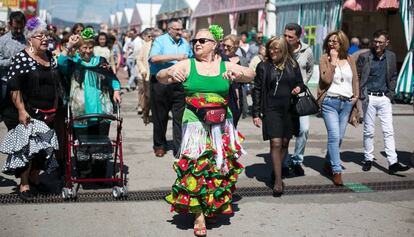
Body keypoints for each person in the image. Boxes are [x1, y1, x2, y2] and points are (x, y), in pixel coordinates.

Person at [157, 25, 255, 237]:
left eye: (202, 41)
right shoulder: (188, 64)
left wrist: (236, 74)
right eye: (195, 41)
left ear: (214, 45)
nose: (197, 44)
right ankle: (199, 213)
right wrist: (171, 72)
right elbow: (161, 76)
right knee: (197, 167)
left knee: (219, 167)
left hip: (222, 123)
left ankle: (211, 204)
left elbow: (250, 74)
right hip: (195, 124)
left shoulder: (225, 64)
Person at [1, 17, 61, 201]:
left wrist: (55, 107)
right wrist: (21, 110)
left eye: (46, 36)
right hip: (24, 111)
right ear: (30, 39)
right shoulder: (22, 57)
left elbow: (56, 83)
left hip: (47, 113)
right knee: (26, 149)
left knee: (43, 148)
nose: (44, 39)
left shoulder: (50, 56)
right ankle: (24, 184)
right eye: (39, 36)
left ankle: (35, 178)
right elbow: (14, 86)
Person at [58, 29, 121, 175]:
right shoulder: (73, 62)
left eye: (90, 47)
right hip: (80, 110)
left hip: (102, 109)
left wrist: (116, 90)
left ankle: (99, 173)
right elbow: (60, 63)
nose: (87, 51)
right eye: (84, 48)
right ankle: (84, 172)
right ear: (79, 49)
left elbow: (111, 77)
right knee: (82, 145)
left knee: (100, 144)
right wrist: (69, 45)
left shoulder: (100, 61)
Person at [252, 36, 304, 197]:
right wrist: (256, 113)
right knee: (275, 143)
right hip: (271, 109)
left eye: (277, 49)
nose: (273, 52)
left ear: (284, 50)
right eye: (271, 48)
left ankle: (276, 171)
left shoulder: (292, 65)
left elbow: (301, 83)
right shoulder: (263, 66)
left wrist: (298, 88)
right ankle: (278, 181)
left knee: (285, 143)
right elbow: (257, 90)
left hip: (289, 109)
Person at [357, 30, 410, 174]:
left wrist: (390, 94)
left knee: (389, 131)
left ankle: (393, 162)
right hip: (369, 98)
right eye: (375, 41)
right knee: (369, 131)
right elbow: (359, 76)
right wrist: (362, 94)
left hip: (384, 98)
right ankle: (368, 158)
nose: (377, 44)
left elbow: (393, 75)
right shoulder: (365, 57)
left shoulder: (391, 57)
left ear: (387, 43)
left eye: (380, 42)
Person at [317, 31, 359, 186]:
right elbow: (326, 79)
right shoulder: (324, 58)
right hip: (330, 102)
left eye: (335, 41)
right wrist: (333, 62)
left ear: (342, 43)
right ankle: (336, 170)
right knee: (334, 136)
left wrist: (356, 96)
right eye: (329, 41)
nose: (332, 44)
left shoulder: (349, 58)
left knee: (339, 138)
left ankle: (328, 161)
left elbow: (355, 79)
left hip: (347, 103)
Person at [149, 19, 192, 157]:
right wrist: (176, 57)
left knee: (179, 117)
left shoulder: (185, 43)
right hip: (161, 82)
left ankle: (179, 148)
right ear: (169, 30)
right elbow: (153, 58)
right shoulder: (160, 41)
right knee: (160, 116)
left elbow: (190, 59)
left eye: (181, 29)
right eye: (177, 29)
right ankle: (160, 145)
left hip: (179, 83)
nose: (180, 32)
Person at [282, 23, 314, 177]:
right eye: (285, 35)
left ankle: (297, 161)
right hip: (283, 97)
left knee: (304, 129)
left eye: (290, 37)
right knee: (285, 132)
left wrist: (302, 85)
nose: (287, 39)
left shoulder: (307, 50)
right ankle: (284, 162)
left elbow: (309, 69)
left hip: (300, 97)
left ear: (298, 37)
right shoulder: (280, 48)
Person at [0, 11, 26, 114]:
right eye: (16, 28)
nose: (19, 30)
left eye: (21, 28)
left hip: (23, 84)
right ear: (10, 25)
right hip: (5, 84)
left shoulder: (28, 40)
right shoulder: (2, 41)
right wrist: (13, 61)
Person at [222, 34, 248, 127]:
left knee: (234, 123)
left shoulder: (243, 60)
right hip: (223, 94)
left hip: (238, 94)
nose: (225, 48)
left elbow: (247, 78)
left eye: (228, 46)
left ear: (236, 46)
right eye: (223, 45)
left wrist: (240, 76)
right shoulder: (219, 59)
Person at [135, 28, 153, 123]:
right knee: (147, 96)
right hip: (147, 76)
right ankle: (145, 113)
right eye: (150, 36)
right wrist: (142, 69)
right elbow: (139, 59)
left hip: (159, 77)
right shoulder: (146, 45)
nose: (152, 38)